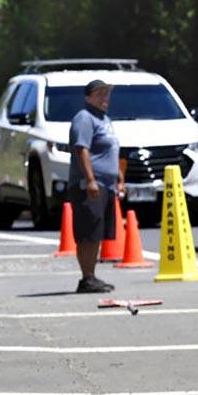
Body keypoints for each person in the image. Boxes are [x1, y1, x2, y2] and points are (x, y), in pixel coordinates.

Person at [68, 79, 122, 293]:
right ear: (88, 97)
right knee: (88, 233)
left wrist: (118, 176)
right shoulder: (84, 118)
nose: (104, 98)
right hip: (90, 184)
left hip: (106, 184)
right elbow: (82, 149)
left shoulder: (104, 119)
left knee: (97, 232)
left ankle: (91, 275)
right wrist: (90, 179)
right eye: (100, 94)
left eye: (107, 94)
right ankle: (86, 278)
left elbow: (110, 150)